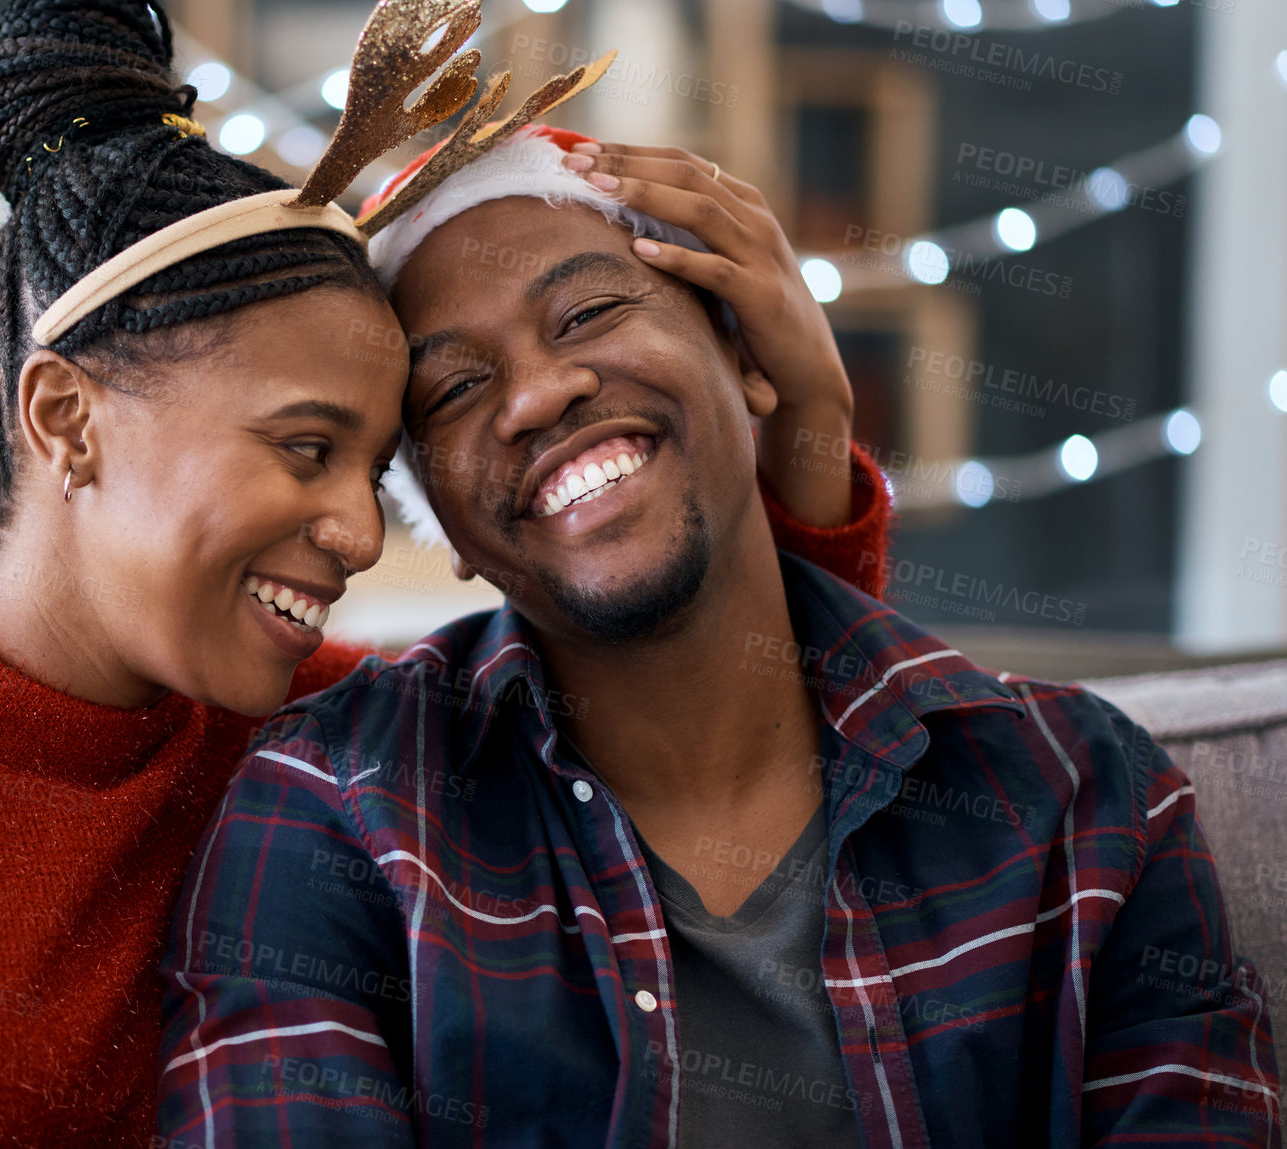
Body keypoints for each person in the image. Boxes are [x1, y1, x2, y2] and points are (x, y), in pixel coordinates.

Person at [0, 4, 889, 1146]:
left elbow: (728, 718)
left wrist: (807, 432)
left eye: (369, 475)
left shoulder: (330, 744)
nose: (357, 537)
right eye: (302, 447)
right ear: (65, 420)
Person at [157, 127, 1280, 1147]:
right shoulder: (339, 804)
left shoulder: (1081, 798)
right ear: (438, 521)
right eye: (454, 389)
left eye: (588, 313)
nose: (538, 396)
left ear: (751, 361)